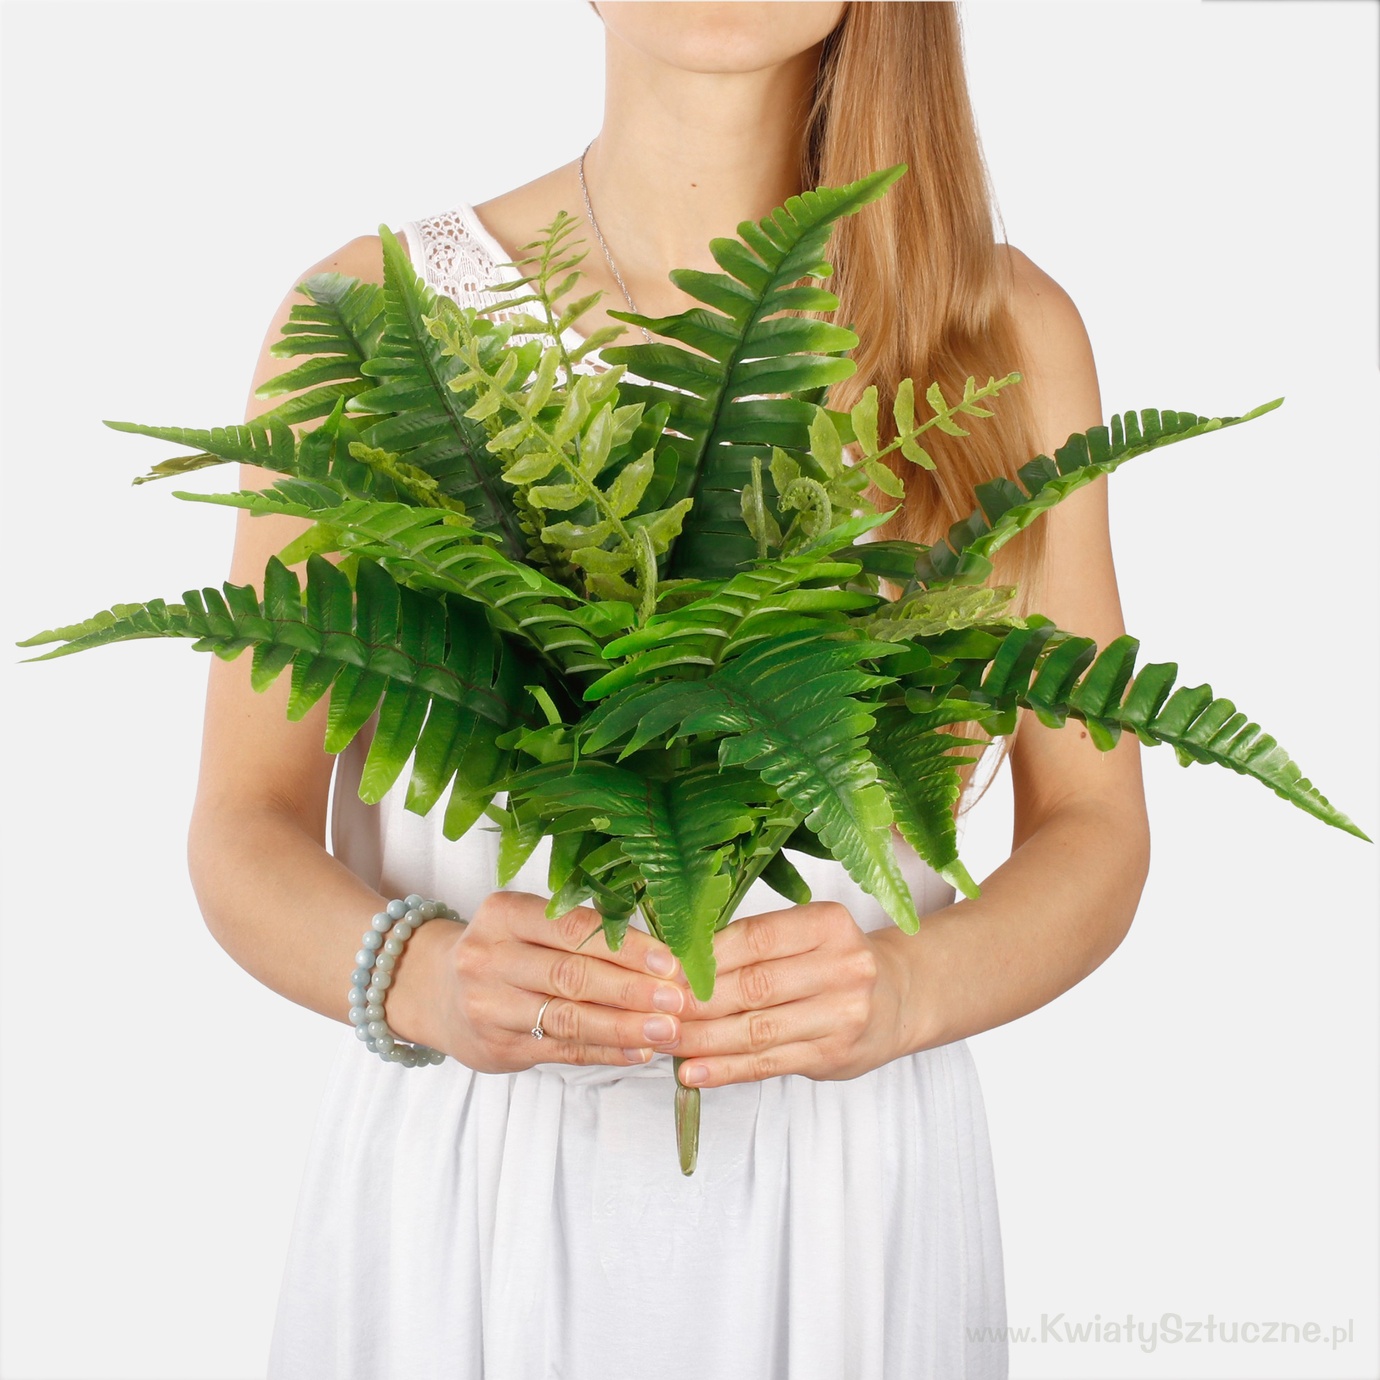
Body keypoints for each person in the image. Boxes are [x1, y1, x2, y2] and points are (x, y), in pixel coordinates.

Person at [191, 4, 1150, 1376]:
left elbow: (1097, 829)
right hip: (476, 1197)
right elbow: (240, 826)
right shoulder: (373, 316)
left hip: (845, 1198)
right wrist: (420, 977)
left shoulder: (990, 332)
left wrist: (907, 992)